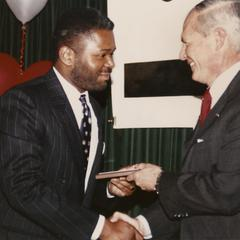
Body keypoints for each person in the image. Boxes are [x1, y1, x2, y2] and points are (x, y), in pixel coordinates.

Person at [0, 7, 142, 240]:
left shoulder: (94, 108)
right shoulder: (22, 101)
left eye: (112, 54)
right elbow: (23, 187)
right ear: (67, 55)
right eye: (102, 54)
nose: (111, 63)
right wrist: (102, 228)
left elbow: (74, 184)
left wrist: (107, 188)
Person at [110, 0, 240, 239]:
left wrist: (159, 180)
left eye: (186, 43)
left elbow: (228, 191)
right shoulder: (218, 99)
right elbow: (197, 192)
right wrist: (141, 225)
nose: (182, 55)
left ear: (218, 39)